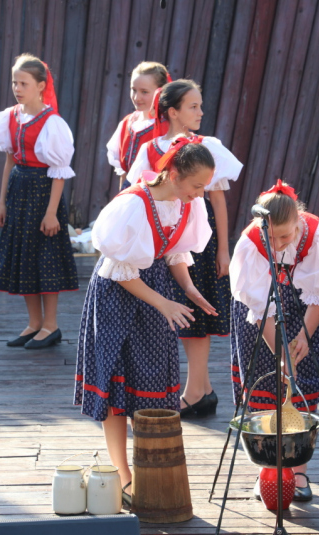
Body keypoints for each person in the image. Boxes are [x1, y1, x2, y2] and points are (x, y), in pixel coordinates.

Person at [74, 139, 217, 503]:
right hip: (119, 297)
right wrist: (164, 304)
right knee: (118, 389)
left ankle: (149, 470)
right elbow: (120, 272)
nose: (200, 194)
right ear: (172, 175)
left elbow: (174, 253)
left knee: (151, 384)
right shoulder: (132, 205)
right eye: (197, 186)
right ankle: (124, 477)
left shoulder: (185, 205)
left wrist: (188, 290)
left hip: (156, 294)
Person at [126, 79, 242, 417]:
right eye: (193, 106)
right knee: (177, 311)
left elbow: (217, 201)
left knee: (197, 315)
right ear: (172, 111)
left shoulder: (206, 147)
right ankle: (203, 388)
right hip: (165, 243)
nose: (200, 112)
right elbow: (140, 194)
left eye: (200, 105)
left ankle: (194, 390)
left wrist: (223, 250)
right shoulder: (150, 150)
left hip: (198, 241)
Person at [229, 180, 319, 502]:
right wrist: (281, 354)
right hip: (259, 320)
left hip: (306, 312)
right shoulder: (251, 242)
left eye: (285, 237)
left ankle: (298, 470)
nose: (277, 245)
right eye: (271, 237)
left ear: (299, 222)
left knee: (300, 388)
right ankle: (268, 470)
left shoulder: (318, 236)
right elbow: (259, 305)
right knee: (267, 388)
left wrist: (303, 335)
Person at [0, 53, 79, 350]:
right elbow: (8, 162)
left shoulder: (52, 123)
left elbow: (59, 173)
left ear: (41, 86)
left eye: (23, 83)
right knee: (24, 258)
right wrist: (2, 202)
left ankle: (51, 325)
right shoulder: (11, 117)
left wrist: (52, 213)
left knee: (45, 259)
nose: (17, 88)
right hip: (19, 190)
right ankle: (34, 323)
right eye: (15, 82)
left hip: (43, 194)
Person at [105, 61, 170, 191]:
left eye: (144, 92)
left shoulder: (167, 127)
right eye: (133, 90)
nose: (136, 97)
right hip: (132, 196)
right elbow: (124, 174)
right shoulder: (127, 123)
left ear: (160, 91)